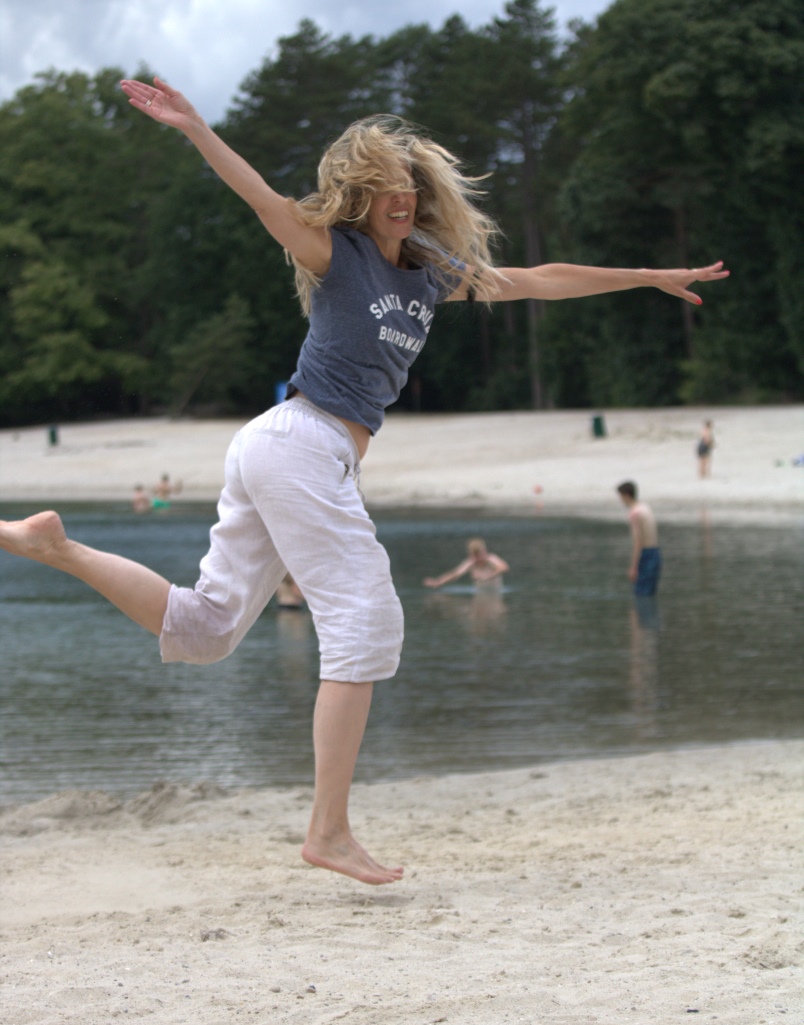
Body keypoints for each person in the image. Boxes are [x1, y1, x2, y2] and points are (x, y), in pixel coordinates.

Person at [0, 74, 728, 885]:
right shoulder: (336, 255)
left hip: (290, 451)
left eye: (409, 183)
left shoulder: (430, 272)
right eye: (385, 186)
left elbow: (538, 277)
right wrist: (195, 128)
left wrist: (646, 276)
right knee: (367, 619)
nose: (402, 196)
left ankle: (55, 547)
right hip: (300, 441)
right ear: (358, 195)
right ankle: (329, 830)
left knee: (206, 630)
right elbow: (263, 200)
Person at [617, 481, 662, 597]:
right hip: (656, 553)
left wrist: (633, 567)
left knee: (641, 594)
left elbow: (638, 542)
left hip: (646, 555)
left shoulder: (634, 514)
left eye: (620, 497)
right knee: (650, 593)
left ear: (626, 495)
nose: (620, 500)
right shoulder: (645, 508)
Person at [423, 538, 509, 589]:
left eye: (480, 555)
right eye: (475, 556)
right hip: (481, 593)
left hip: (495, 593)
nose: (478, 559)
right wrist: (439, 582)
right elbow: (455, 574)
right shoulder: (471, 562)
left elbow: (504, 567)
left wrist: (487, 577)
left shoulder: (491, 558)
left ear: (484, 552)